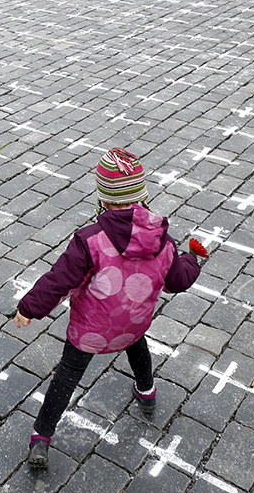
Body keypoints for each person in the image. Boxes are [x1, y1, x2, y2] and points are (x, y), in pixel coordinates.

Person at [13, 147, 201, 468]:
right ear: (142, 195)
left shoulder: (89, 241)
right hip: (133, 325)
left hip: (91, 331)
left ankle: (42, 437)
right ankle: (147, 392)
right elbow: (177, 281)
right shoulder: (163, 241)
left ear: (103, 197)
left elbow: (60, 280)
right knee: (137, 348)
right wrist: (193, 259)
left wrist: (30, 307)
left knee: (67, 376)